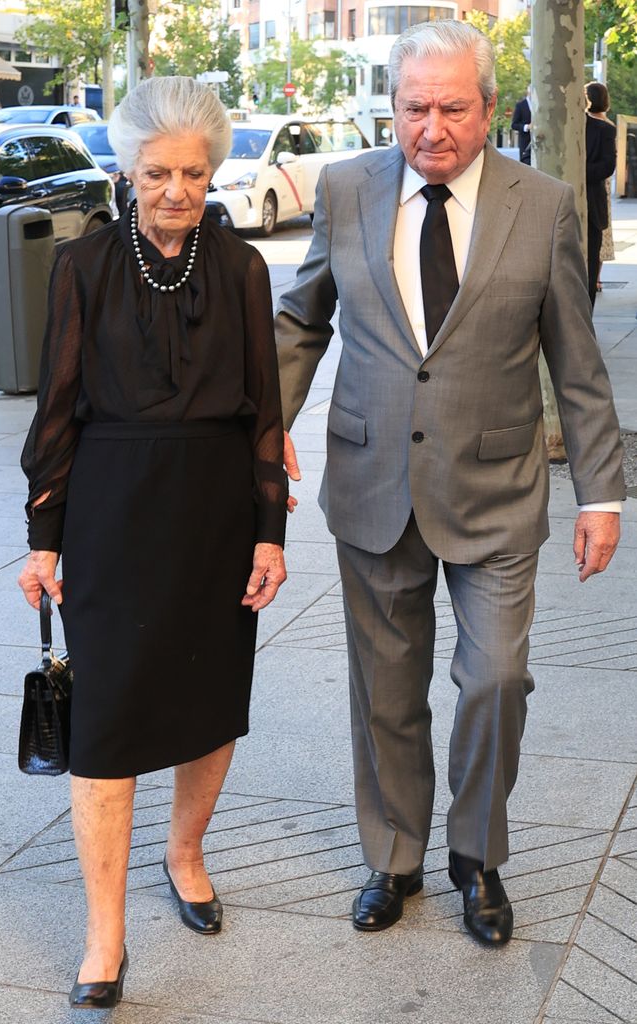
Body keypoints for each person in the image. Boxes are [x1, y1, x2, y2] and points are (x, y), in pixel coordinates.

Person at [276, 21, 624, 948]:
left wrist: (601, 492)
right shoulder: (346, 189)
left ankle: (477, 856)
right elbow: (301, 317)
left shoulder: (544, 204)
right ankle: (394, 857)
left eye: (452, 108)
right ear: (394, 106)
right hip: (371, 479)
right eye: (414, 107)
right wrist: (261, 422)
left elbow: (578, 363)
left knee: (496, 678)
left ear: (486, 108)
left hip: (498, 492)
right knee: (386, 689)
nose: (431, 127)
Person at [18, 75, 288, 1008]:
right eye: (158, 172)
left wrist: (270, 532)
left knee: (212, 698)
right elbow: (57, 411)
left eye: (194, 173)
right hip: (111, 514)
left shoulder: (244, 269)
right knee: (108, 718)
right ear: (128, 171)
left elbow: (265, 408)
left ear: (213, 172)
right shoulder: (84, 265)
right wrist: (42, 541)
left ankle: (184, 854)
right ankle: (104, 937)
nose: (177, 191)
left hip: (216, 516)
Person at [585, 81, 616, 307]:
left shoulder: (605, 129)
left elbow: (607, 166)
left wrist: (577, 172)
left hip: (593, 207)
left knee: (590, 265)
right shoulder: (562, 125)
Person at [511, 86, 531, 162]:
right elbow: (514, 125)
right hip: (525, 143)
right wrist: (526, 127)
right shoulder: (520, 105)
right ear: (529, 92)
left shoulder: (540, 105)